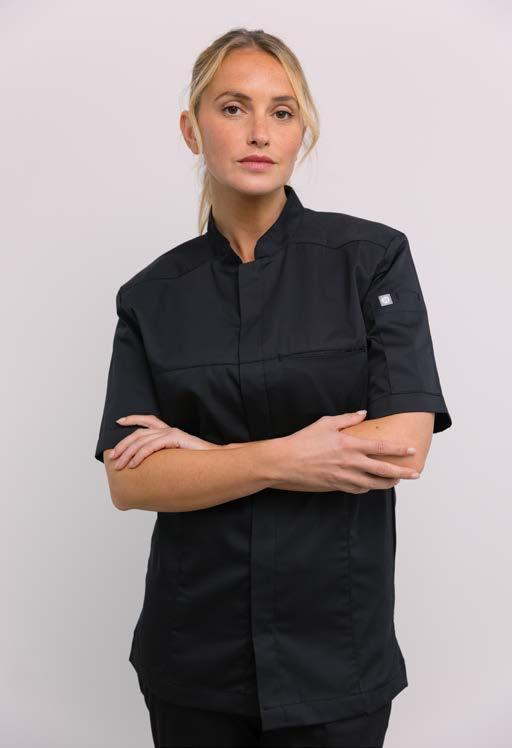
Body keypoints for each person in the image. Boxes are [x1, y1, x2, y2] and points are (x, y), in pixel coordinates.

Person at [94, 27, 452, 748]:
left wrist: (205, 454)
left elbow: (402, 447)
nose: (260, 132)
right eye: (233, 108)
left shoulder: (372, 260)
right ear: (192, 129)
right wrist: (287, 457)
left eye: (282, 112)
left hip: (336, 653)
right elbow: (130, 481)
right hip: (194, 656)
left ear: (301, 133)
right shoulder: (150, 297)